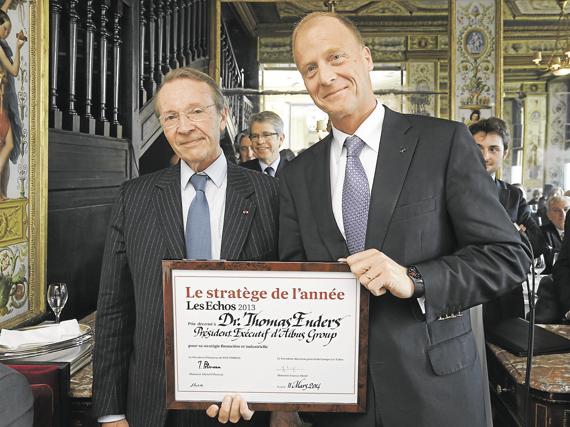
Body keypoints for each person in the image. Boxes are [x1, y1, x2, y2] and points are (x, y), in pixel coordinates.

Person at [279, 12, 530, 427]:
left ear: (366, 57)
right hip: (339, 403)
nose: (325, 76)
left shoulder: (442, 142)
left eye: (336, 57)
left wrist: (415, 278)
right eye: (310, 68)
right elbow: (292, 283)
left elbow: (507, 256)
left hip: (436, 395)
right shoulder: (296, 175)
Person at [92, 67, 279, 427]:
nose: (184, 127)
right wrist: (111, 412)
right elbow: (114, 308)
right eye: (171, 116)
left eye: (195, 111)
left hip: (244, 402)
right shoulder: (134, 198)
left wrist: (282, 406)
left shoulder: (270, 195)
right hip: (154, 404)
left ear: (222, 116)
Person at [469, 117, 543, 328]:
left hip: (505, 292)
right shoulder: (447, 190)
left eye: (493, 149)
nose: (485, 156)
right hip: (465, 289)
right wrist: (512, 232)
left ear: (505, 153)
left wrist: (513, 234)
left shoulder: (513, 195)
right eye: (478, 148)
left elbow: (537, 243)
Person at [0, 0, 25, 201]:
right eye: (4, 29)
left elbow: (2, 12)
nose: (7, 32)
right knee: (7, 146)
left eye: (9, 29)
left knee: (6, 148)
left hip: (3, 103)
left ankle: (2, 194)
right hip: (0, 105)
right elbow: (14, 70)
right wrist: (18, 48)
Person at [241, 111, 289, 177]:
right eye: (255, 136)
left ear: (281, 139)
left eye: (266, 135)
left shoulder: (296, 171)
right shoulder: (241, 172)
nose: (260, 141)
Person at [541, 196, 570, 274]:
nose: (563, 214)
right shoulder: (541, 233)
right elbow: (546, 259)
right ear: (548, 215)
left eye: (566, 209)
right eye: (557, 210)